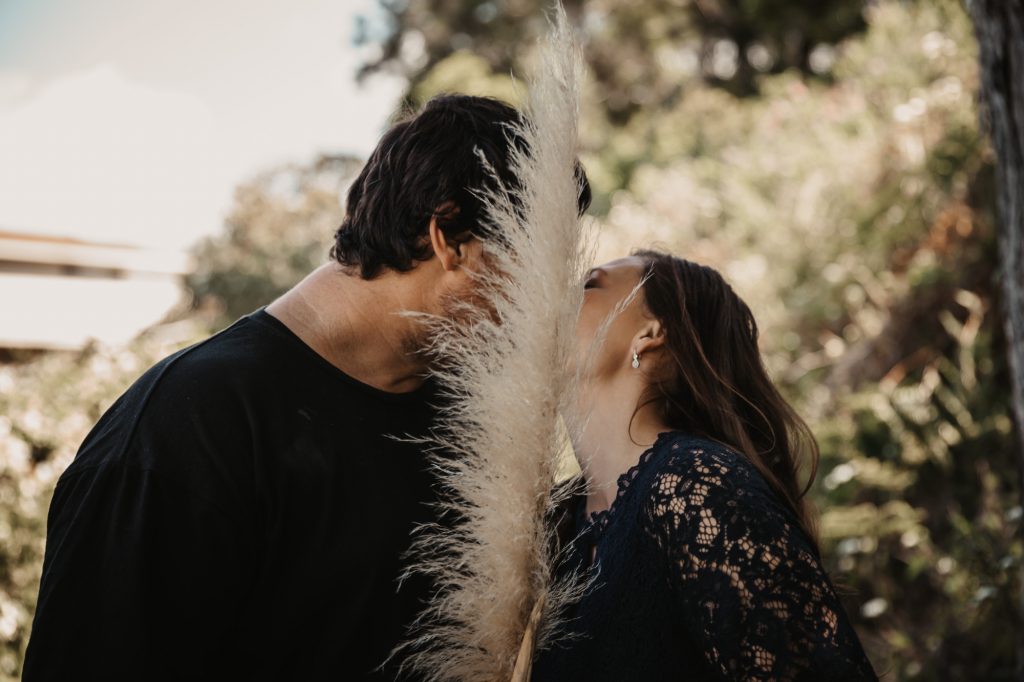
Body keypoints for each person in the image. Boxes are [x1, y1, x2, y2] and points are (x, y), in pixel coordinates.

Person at [23, 94, 591, 682]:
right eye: (536, 265)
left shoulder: (469, 421)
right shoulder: (183, 427)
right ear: (448, 236)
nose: (554, 300)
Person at [531, 250, 878, 681]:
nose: (563, 295)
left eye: (590, 284)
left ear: (650, 333)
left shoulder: (698, 485)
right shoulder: (552, 522)